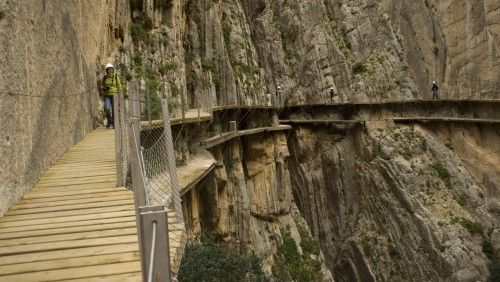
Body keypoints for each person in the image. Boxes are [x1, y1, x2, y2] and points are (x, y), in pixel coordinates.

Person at [101, 63, 122, 128]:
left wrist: (120, 95)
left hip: (115, 95)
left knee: (114, 109)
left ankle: (114, 123)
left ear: (113, 70)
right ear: (106, 70)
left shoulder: (116, 77)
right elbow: (102, 85)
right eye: (108, 69)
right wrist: (104, 87)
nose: (110, 71)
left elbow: (119, 86)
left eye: (111, 69)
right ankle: (110, 121)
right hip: (107, 95)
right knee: (107, 108)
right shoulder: (105, 78)